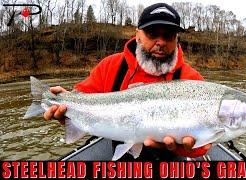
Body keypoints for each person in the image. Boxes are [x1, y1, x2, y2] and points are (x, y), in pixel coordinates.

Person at [44, 3, 212, 160]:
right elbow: (81, 99)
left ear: (176, 39)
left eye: (168, 35)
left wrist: (183, 147)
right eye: (152, 33)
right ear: (138, 34)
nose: (160, 42)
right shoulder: (110, 66)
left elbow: (203, 146)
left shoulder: (192, 79)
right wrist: (66, 108)